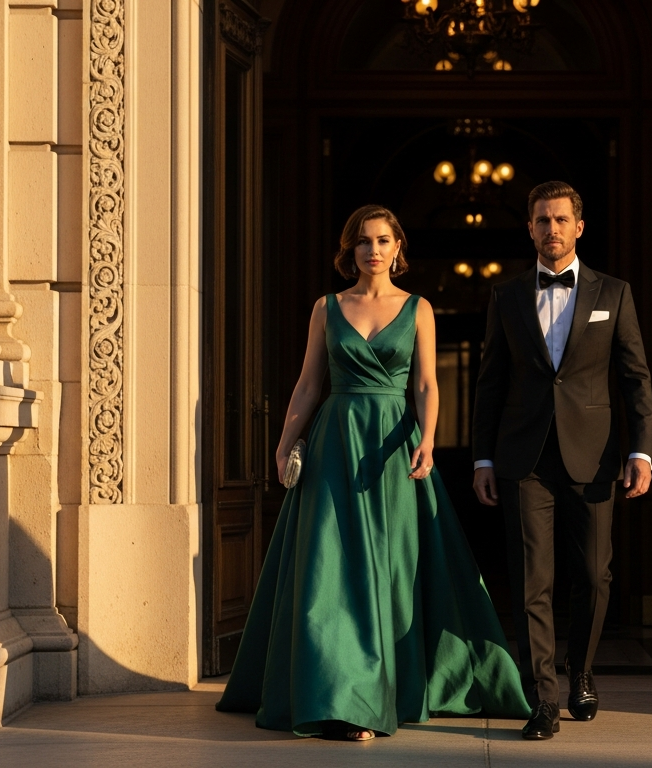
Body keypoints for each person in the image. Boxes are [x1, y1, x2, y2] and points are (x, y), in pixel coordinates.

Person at [216, 205, 530, 741]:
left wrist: (429, 439)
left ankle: (377, 691)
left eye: (383, 240)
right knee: (330, 575)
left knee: (387, 573)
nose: (373, 250)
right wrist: (287, 439)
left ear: (398, 247)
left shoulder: (420, 309)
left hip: (393, 450)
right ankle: (339, 697)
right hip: (334, 447)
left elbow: (427, 385)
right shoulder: (326, 307)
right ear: (350, 250)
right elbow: (309, 384)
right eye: (363, 241)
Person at [471, 181, 652, 740]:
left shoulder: (614, 293)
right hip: (523, 458)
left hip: (595, 458)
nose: (551, 229)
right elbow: (489, 383)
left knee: (594, 578)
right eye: (541, 220)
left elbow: (634, 377)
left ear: (579, 226)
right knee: (533, 579)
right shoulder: (505, 296)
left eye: (560, 220)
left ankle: (582, 671)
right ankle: (544, 698)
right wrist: (482, 458)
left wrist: (641, 449)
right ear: (529, 228)